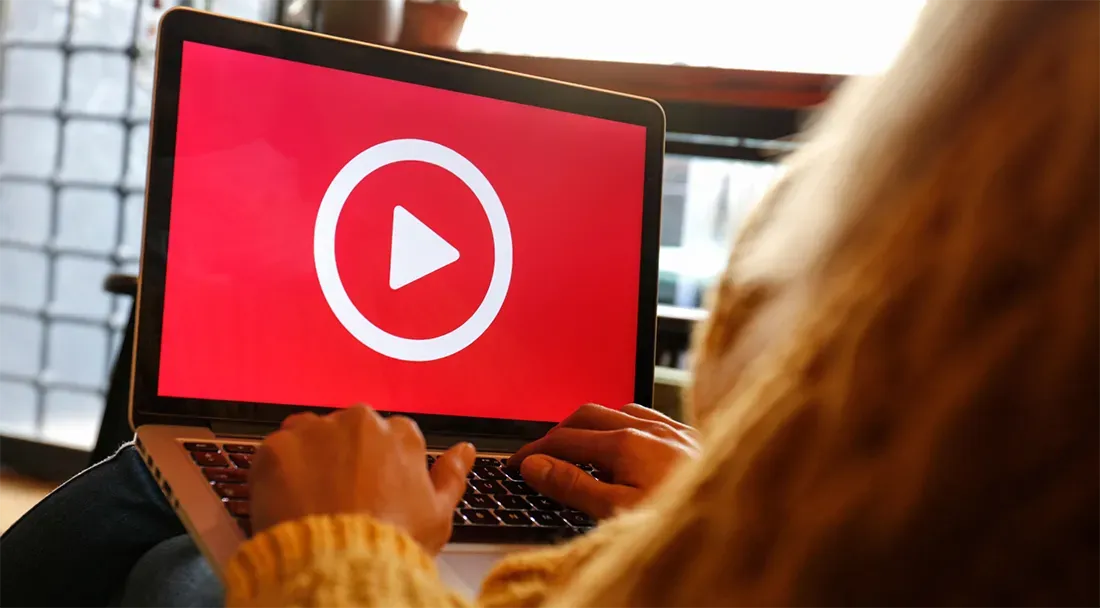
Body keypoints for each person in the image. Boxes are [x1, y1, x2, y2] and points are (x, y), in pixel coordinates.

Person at [4, 0, 1100, 604]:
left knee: (180, 570)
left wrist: (345, 543)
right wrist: (713, 503)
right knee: (154, 477)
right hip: (609, 485)